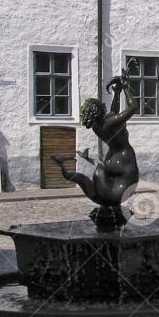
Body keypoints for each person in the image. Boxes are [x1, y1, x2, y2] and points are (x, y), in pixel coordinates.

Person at [53, 73, 141, 216]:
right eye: (100, 104)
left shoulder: (97, 126)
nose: (103, 104)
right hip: (125, 160)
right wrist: (125, 87)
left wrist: (117, 93)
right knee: (121, 191)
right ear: (98, 110)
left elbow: (113, 112)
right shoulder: (110, 122)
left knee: (108, 190)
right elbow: (133, 107)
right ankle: (113, 210)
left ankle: (107, 208)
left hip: (110, 159)